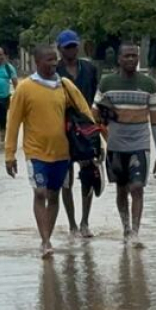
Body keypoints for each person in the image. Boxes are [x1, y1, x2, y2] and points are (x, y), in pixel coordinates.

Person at [5, 44, 94, 259]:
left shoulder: (65, 86)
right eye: (49, 60)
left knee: (54, 196)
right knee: (40, 193)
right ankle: (45, 241)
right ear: (37, 62)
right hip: (35, 153)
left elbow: (85, 112)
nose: (54, 63)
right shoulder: (25, 88)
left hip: (63, 153)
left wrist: (97, 142)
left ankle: (48, 235)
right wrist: (9, 155)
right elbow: (13, 122)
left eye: (55, 59)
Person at [94, 42, 156, 248]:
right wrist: (102, 113)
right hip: (115, 146)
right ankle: (125, 228)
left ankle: (134, 232)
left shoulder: (149, 85)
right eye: (127, 56)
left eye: (134, 56)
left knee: (137, 187)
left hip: (139, 145)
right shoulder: (107, 83)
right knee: (121, 190)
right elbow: (94, 113)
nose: (131, 60)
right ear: (119, 59)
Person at [55, 29, 101, 238]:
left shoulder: (90, 69)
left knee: (89, 175)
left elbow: (98, 98)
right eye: (67, 48)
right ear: (60, 49)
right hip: (61, 130)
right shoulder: (54, 71)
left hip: (88, 130)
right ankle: (72, 224)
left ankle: (85, 222)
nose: (71, 50)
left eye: (74, 46)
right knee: (66, 180)